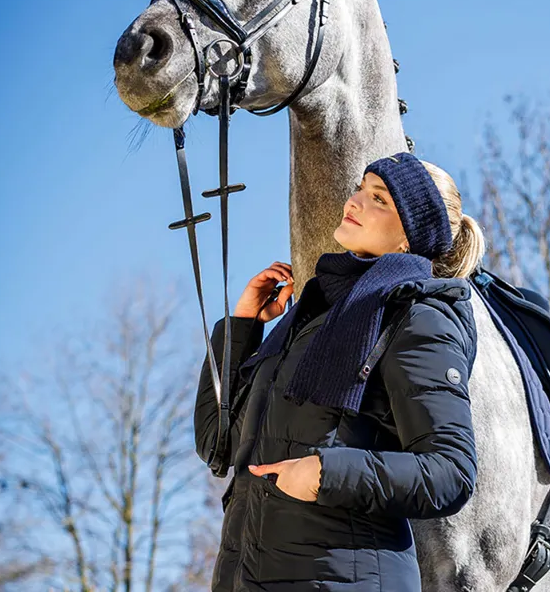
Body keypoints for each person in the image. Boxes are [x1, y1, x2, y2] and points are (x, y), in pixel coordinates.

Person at [194, 151, 486, 591]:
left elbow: (451, 472)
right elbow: (218, 445)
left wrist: (326, 473)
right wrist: (241, 328)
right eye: (359, 189)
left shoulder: (419, 317)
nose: (353, 202)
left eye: (379, 199)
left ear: (409, 237)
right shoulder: (314, 312)